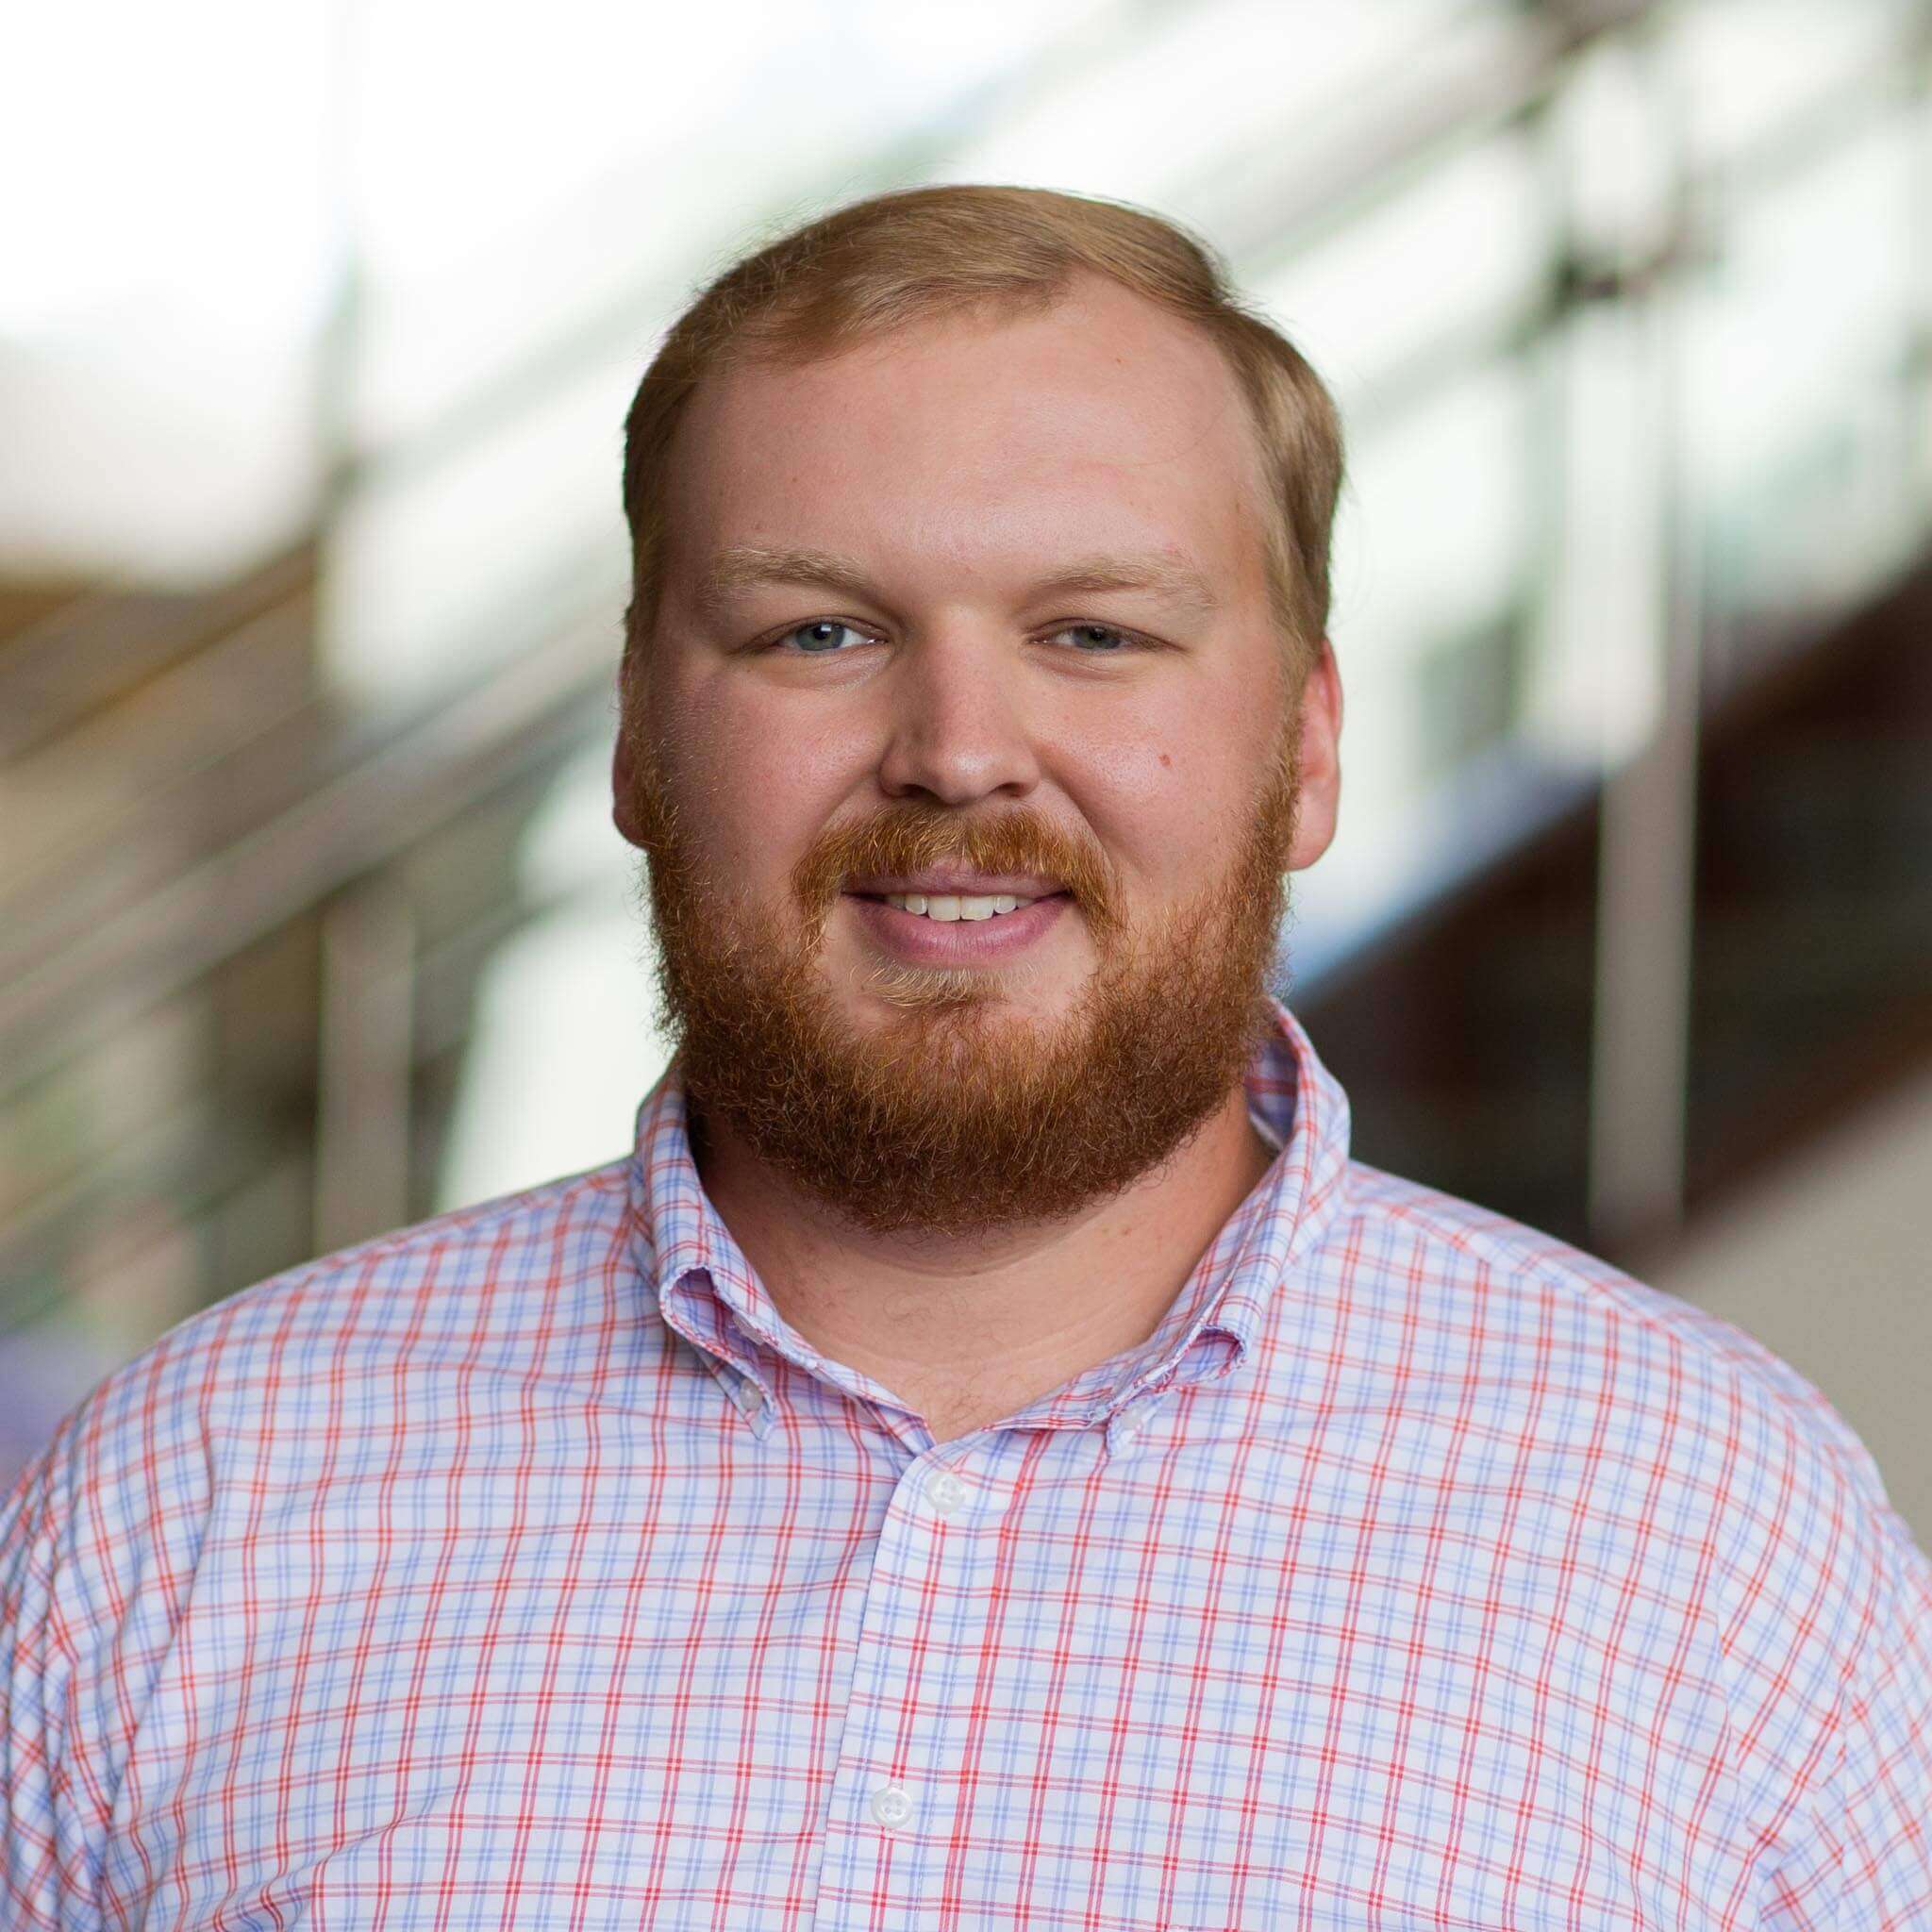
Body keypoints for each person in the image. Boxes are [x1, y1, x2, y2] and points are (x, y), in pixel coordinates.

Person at [4, 184, 1928, 1930]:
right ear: (633, 738)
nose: (956, 748)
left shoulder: (1715, 1531)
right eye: (819, 630)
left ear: (1311, 744)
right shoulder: (183, 1504)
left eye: (1092, 631)